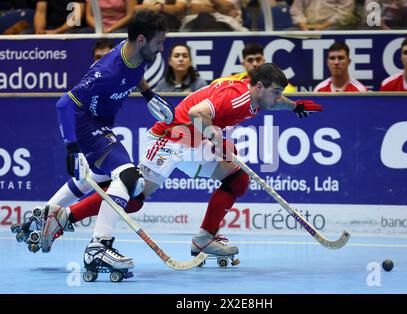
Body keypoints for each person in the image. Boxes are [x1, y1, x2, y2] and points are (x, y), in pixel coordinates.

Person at [33, 63, 323, 266]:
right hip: (170, 138)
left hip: (194, 143)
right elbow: (198, 114)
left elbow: (273, 101)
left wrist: (294, 105)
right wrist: (219, 142)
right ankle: (65, 216)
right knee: (133, 197)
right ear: (258, 87)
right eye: (275, 93)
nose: (277, 98)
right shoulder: (234, 98)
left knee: (237, 179)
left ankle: (204, 240)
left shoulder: (259, 97)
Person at [13, 10, 174, 276]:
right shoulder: (107, 71)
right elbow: (64, 103)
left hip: (100, 124)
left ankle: (46, 214)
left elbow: (135, 74)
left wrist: (147, 94)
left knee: (99, 174)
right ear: (143, 40)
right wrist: (72, 148)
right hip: (85, 124)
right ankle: (99, 246)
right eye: (159, 42)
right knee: (129, 177)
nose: (162, 47)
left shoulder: (135, 53)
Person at [212, 42, 297, 93]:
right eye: (250, 60)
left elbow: (290, 92)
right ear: (243, 63)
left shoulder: (285, 88)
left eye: (258, 59)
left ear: (263, 61)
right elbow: (215, 85)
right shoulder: (227, 82)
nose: (255, 64)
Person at [290, 0, 357, 30]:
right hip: (307, 26)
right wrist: (303, 25)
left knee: (327, 32)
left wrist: (323, 26)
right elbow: (296, 10)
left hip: (334, 25)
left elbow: (345, 12)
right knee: (288, 33)